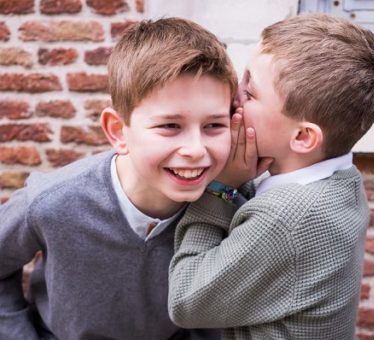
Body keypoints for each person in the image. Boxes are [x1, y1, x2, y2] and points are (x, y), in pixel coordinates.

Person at [166, 13, 374, 339]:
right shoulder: (341, 178)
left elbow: (186, 300)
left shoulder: (287, 217)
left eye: (251, 91)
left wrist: (220, 187)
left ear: (303, 137)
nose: (234, 95)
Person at [0, 18, 232, 339]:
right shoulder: (52, 201)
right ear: (117, 131)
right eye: (169, 126)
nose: (195, 149)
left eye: (214, 126)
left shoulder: (227, 209)